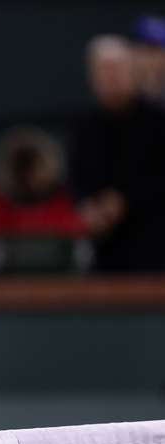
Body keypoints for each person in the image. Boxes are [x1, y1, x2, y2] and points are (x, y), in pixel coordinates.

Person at [71, 34, 165, 271]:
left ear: (132, 71)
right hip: (104, 250)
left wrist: (124, 201)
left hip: (154, 244)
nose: (110, 77)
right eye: (103, 70)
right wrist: (88, 207)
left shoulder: (157, 120)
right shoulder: (86, 125)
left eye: (116, 69)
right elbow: (77, 178)